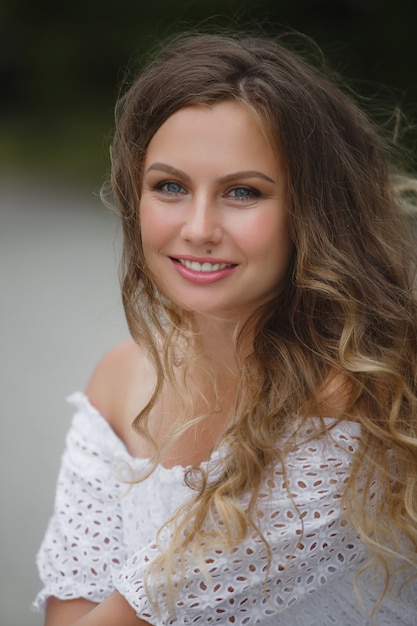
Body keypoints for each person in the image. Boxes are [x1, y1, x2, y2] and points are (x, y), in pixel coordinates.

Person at [33, 32, 417, 625]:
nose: (199, 226)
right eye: (170, 187)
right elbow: (68, 612)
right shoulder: (121, 378)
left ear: (313, 211)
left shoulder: (355, 399)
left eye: (242, 192)